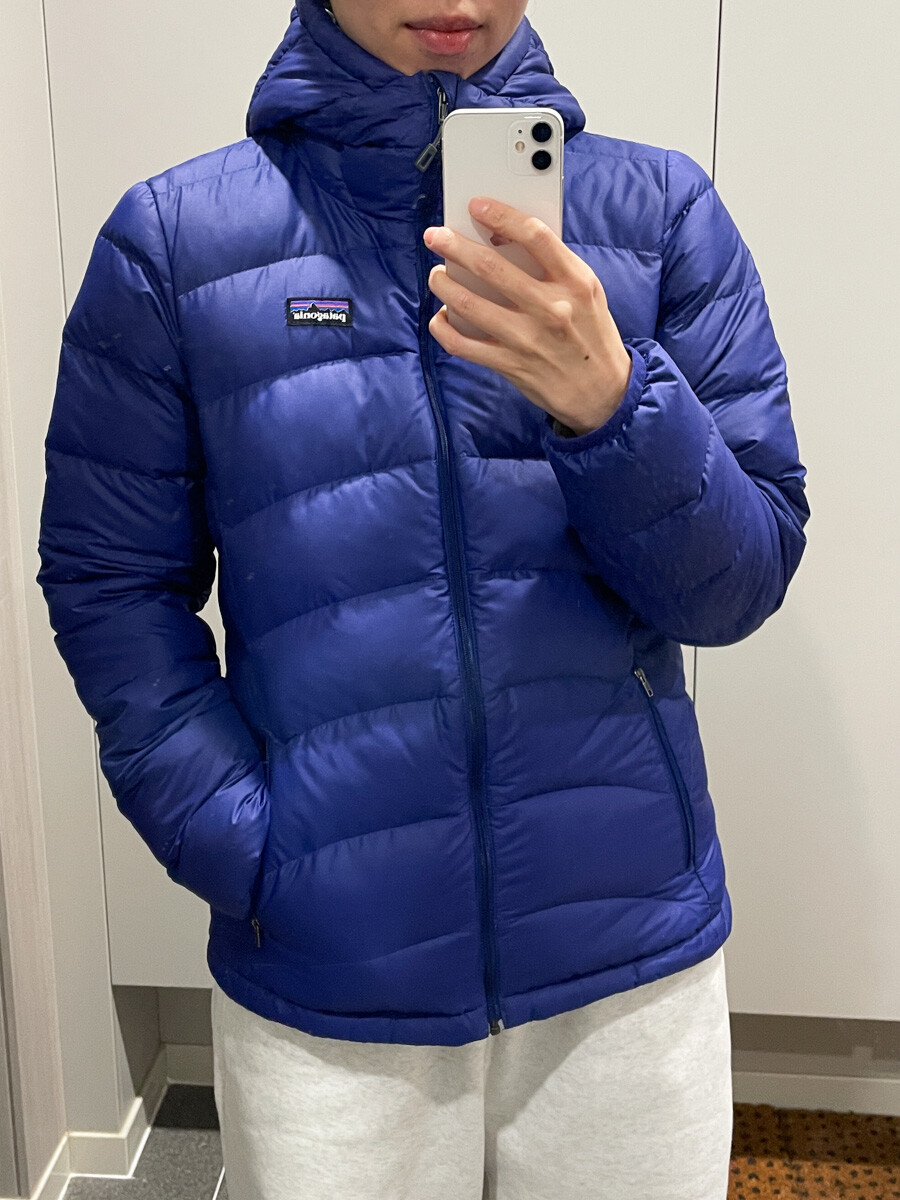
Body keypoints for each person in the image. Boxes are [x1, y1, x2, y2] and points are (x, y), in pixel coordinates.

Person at [36, 0, 809, 1196]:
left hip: (628, 960)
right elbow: (112, 583)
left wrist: (615, 408)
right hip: (332, 974)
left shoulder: (659, 215)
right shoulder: (176, 241)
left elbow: (738, 586)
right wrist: (249, 849)